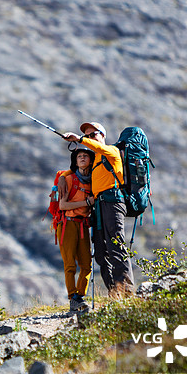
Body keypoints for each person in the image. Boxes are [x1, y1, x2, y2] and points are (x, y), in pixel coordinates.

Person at [63, 122, 134, 297]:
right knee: (101, 253)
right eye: (87, 136)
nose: (89, 138)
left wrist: (79, 139)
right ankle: (114, 293)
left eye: (92, 135)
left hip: (113, 201)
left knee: (116, 244)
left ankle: (127, 292)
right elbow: (76, 171)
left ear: (102, 135)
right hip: (99, 206)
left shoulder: (112, 152)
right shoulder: (95, 161)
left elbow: (98, 148)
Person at [56, 147, 95, 314]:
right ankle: (73, 298)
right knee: (70, 264)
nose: (82, 158)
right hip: (67, 224)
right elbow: (62, 205)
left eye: (85, 156)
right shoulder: (69, 179)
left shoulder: (93, 181)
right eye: (79, 156)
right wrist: (87, 202)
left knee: (87, 265)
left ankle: (80, 296)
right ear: (75, 160)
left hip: (83, 225)